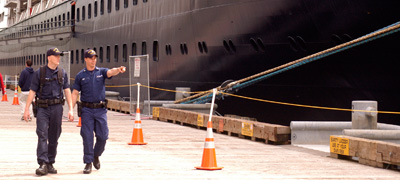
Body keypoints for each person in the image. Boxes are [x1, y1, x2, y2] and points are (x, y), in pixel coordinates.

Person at [71, 49, 125, 174]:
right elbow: (74, 93)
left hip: (100, 110)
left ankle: (96, 155)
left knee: (103, 136)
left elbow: (110, 72)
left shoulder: (101, 72)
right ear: (85, 59)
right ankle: (88, 162)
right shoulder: (80, 75)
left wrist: (118, 69)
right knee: (87, 136)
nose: (93, 60)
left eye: (95, 58)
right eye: (91, 58)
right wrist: (70, 110)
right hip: (87, 110)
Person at [23, 47, 74, 176]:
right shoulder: (39, 73)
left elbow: (67, 91)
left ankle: (50, 162)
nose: (58, 58)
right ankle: (43, 163)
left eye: (59, 56)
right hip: (43, 108)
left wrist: (71, 109)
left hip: (57, 108)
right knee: (42, 134)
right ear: (49, 57)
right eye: (56, 56)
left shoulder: (62, 73)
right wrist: (26, 110)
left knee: (54, 136)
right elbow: (32, 91)